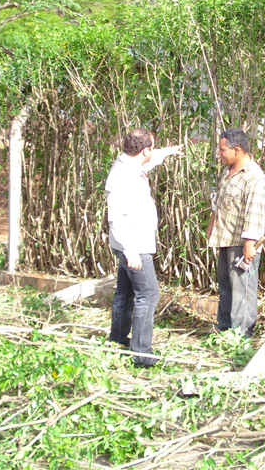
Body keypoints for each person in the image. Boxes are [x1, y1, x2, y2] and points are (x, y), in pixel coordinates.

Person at [106, 128, 183, 366]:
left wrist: (169, 151)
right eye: (152, 147)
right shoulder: (122, 176)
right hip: (134, 246)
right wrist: (131, 252)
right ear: (144, 150)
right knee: (148, 294)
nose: (153, 151)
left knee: (126, 292)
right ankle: (141, 353)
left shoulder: (131, 165)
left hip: (130, 244)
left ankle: (118, 340)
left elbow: (150, 160)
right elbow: (116, 218)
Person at [207, 128, 265, 338]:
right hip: (225, 238)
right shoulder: (229, 171)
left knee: (243, 289)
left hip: (241, 243)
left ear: (237, 149)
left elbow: (254, 212)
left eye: (222, 150)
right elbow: (219, 203)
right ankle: (224, 328)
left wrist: (249, 244)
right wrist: (211, 227)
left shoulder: (254, 177)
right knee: (225, 286)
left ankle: (242, 335)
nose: (219, 153)